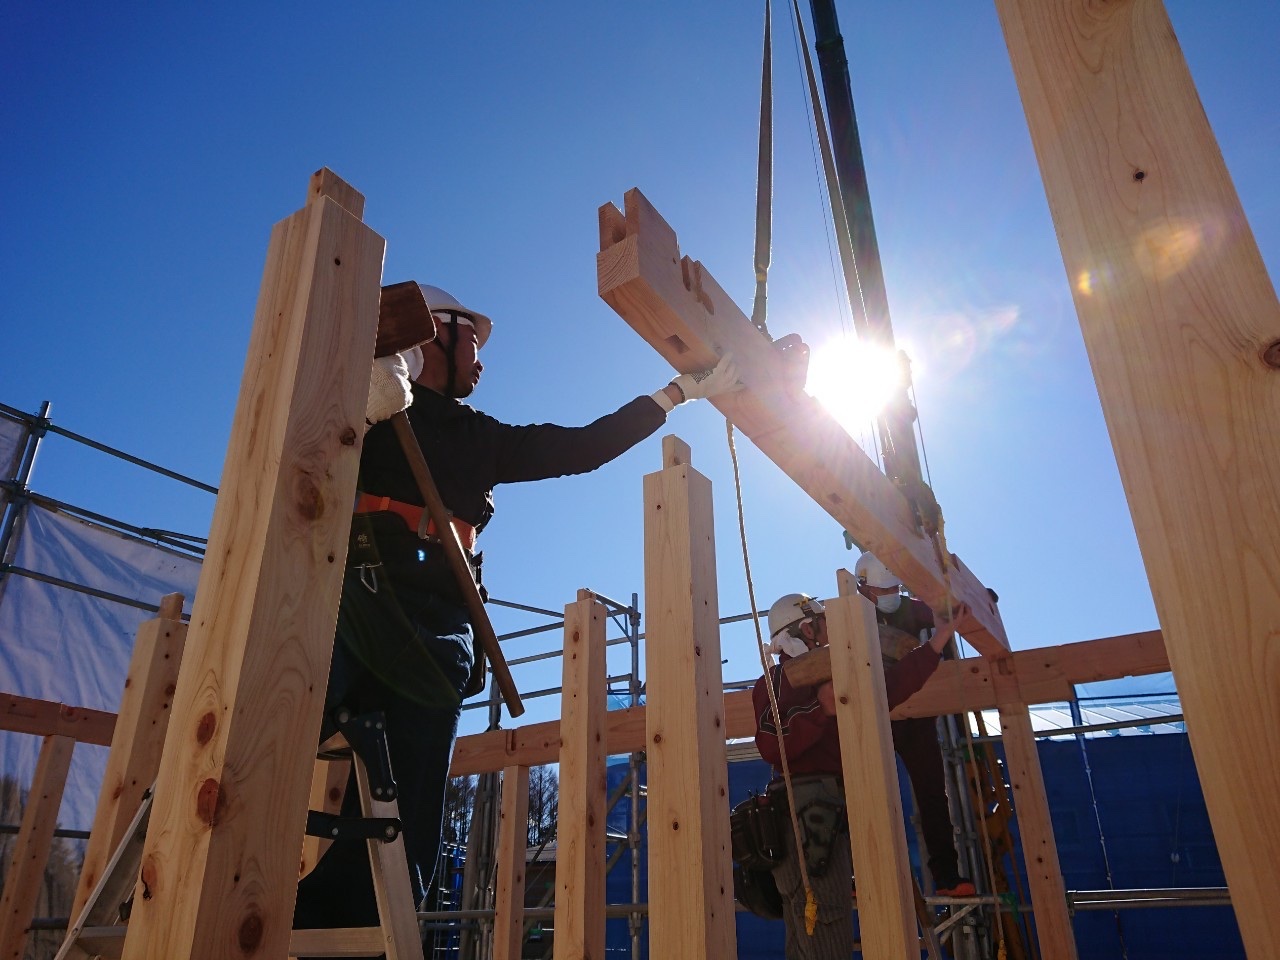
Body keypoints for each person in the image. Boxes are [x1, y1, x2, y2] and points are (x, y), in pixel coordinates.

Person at [294, 282, 739, 945]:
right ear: (432, 334)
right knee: (269, 736)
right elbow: (324, 413)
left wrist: (674, 395)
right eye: (472, 341)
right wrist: (381, 369)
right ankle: (190, 877)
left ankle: (331, 924)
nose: (481, 361)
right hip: (349, 592)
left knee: (403, 842)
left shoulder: (478, 438)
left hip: (435, 628)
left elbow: (580, 448)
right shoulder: (375, 399)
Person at [753, 590, 964, 959]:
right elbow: (773, 746)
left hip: (837, 804)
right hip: (803, 810)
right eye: (820, 623)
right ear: (802, 630)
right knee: (821, 920)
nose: (827, 630)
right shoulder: (773, 683)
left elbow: (891, 687)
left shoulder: (840, 671)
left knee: (814, 922)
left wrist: (938, 642)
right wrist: (820, 708)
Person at [853, 551, 975, 898]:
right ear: (864, 588)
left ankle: (947, 875)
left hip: (920, 718)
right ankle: (862, 875)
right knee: (866, 794)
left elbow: (949, 646)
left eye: (893, 588)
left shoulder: (919, 610)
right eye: (882, 590)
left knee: (933, 794)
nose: (889, 595)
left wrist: (962, 610)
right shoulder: (854, 618)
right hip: (876, 717)